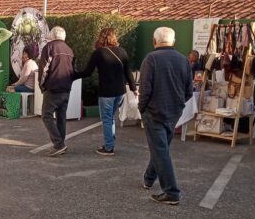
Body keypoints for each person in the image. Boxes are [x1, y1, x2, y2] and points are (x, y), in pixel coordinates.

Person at [138, 27, 192, 205]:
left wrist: (142, 108)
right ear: (173, 42)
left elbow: (144, 89)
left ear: (155, 42)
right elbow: (189, 91)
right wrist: (179, 104)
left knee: (160, 150)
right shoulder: (184, 60)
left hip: (154, 112)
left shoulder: (151, 59)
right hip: (174, 111)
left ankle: (171, 191)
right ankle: (149, 178)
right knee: (161, 148)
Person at [78, 28, 137, 156]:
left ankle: (109, 147)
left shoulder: (98, 53)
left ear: (101, 38)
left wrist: (73, 75)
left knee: (107, 119)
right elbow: (128, 71)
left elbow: (87, 72)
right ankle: (110, 143)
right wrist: (134, 88)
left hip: (106, 92)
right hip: (120, 92)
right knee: (111, 119)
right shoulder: (122, 51)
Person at [38, 26, 77, 157]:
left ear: (52, 35)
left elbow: (43, 69)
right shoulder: (70, 50)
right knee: (61, 117)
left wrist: (42, 85)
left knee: (46, 115)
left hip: (53, 87)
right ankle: (60, 144)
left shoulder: (49, 47)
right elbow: (74, 71)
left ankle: (59, 144)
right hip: (66, 88)